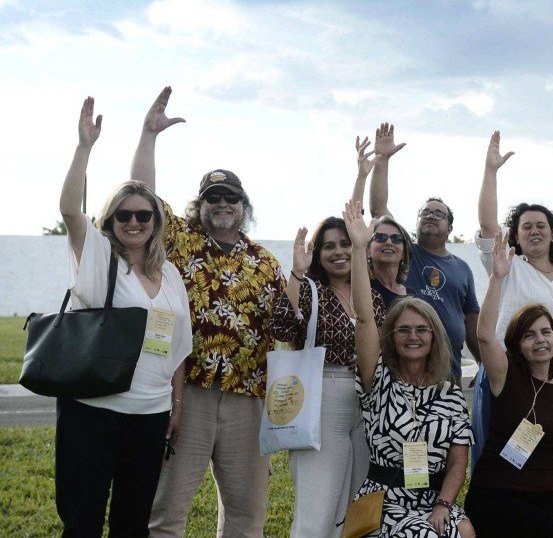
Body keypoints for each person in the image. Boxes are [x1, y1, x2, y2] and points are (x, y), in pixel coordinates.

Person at [131, 88, 285, 538]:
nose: (222, 204)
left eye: (230, 198)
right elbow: (141, 194)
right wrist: (148, 136)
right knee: (168, 511)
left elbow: (288, 324)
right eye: (212, 197)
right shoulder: (179, 241)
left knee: (246, 515)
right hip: (189, 392)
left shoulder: (265, 262)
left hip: (248, 399)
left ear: (244, 206)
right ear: (199, 206)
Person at [55, 97, 193, 538]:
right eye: (123, 215)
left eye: (143, 215)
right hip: (94, 410)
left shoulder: (170, 273)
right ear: (110, 220)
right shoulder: (98, 256)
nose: (133, 222)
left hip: (150, 414)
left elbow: (178, 348)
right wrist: (83, 149)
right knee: (83, 520)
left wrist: (176, 403)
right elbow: (69, 211)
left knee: (132, 522)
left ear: (156, 221)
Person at [472, 132, 553, 509]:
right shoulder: (509, 267)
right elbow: (485, 223)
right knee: (509, 465)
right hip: (513, 380)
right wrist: (490, 170)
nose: (534, 230)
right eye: (525, 226)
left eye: (541, 225)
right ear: (513, 235)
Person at [343, 200, 476, 538]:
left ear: (434, 336)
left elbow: (459, 461)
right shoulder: (379, 380)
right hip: (385, 499)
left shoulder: (450, 394)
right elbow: (362, 318)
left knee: (466, 531)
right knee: (424, 535)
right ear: (391, 336)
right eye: (403, 330)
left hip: (434, 498)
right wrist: (360, 248)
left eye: (421, 330)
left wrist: (444, 505)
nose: (412, 337)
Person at [464, 233, 553, 538]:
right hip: (495, 493)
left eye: (546, 332)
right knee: (551, 531)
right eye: (530, 335)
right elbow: (484, 336)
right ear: (518, 344)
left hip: (540, 494)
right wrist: (498, 277)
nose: (540, 340)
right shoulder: (506, 375)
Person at [268, 214, 385, 538]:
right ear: (318, 254)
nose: (339, 252)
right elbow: (280, 325)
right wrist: (296, 272)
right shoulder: (310, 290)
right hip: (323, 397)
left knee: (357, 510)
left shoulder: (371, 296)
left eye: (346, 244)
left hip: (365, 404)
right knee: (317, 508)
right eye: (329, 246)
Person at [368, 123, 480, 383]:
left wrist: (483, 362)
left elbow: (471, 320)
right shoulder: (404, 251)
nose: (430, 215)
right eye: (424, 212)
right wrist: (382, 160)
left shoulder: (463, 268)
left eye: (438, 213)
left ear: (450, 227)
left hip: (448, 370)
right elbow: (379, 210)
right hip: (406, 369)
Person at [352, 135, 414, 309]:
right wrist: (362, 176)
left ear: (404, 253)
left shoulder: (413, 296)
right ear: (367, 249)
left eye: (396, 239)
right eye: (380, 237)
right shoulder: (362, 285)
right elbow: (354, 220)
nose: (388, 242)